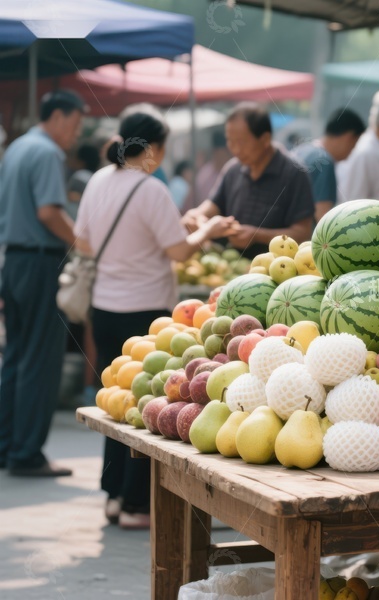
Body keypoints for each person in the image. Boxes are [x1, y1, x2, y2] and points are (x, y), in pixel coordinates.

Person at [74, 106, 233, 528]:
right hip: (144, 314)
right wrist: (209, 230)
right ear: (154, 148)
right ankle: (136, 504)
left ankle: (113, 497)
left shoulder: (98, 181)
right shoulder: (150, 189)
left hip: (104, 308)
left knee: (112, 403)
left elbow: (84, 241)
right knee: (143, 406)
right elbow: (179, 251)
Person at [0, 90, 87, 477]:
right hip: (39, 263)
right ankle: (27, 453)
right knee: (40, 360)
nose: (74, 135)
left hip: (14, 260)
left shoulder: (18, 146)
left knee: (16, 357)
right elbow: (49, 212)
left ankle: (7, 445)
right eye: (74, 125)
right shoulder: (48, 152)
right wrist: (80, 241)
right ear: (58, 118)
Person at [182, 103, 315, 257]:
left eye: (242, 142)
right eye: (230, 141)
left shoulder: (294, 174)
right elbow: (211, 207)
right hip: (230, 266)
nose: (235, 150)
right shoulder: (233, 170)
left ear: (265, 139)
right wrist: (196, 216)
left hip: (274, 273)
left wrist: (257, 235)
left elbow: (302, 233)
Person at [291, 108, 366, 222]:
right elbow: (323, 218)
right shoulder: (325, 162)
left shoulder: (302, 149)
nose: (352, 151)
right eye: (354, 144)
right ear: (348, 138)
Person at [192, 128, 231, 213]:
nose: (220, 156)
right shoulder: (203, 174)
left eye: (223, 153)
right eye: (218, 153)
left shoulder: (234, 172)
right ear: (214, 152)